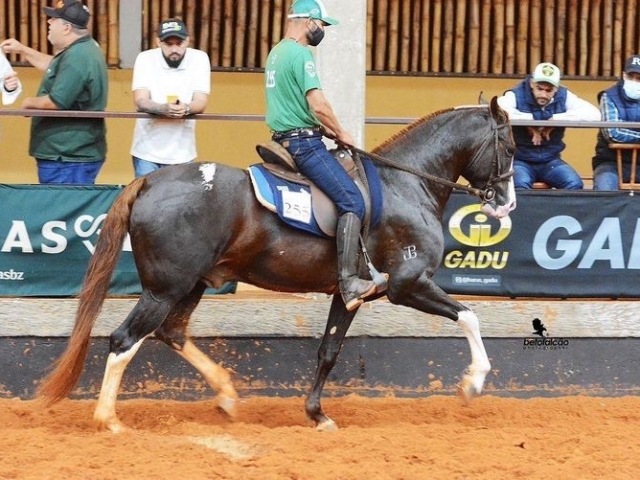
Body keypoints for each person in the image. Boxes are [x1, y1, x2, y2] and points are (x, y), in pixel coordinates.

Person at [265, 0, 386, 312]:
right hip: (304, 145)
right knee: (353, 200)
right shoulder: (302, 53)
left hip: (289, 137)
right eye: (323, 25)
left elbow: (295, 107)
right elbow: (317, 103)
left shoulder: (277, 52)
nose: (324, 31)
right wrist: (342, 132)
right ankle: (349, 281)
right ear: (308, 21)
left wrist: (324, 129)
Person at [0, 0, 107, 185]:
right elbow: (56, 67)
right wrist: (22, 50)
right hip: (69, 153)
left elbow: (56, 101)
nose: (49, 22)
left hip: (67, 155)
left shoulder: (78, 56)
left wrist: (29, 104)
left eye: (54, 20)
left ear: (66, 28)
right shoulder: (83, 49)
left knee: (64, 209)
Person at [497, 62, 600, 189]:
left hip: (551, 160)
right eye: (539, 88)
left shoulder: (564, 95)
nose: (544, 94)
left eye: (549, 90)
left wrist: (554, 120)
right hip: (520, 160)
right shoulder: (516, 94)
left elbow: (594, 114)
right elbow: (497, 110)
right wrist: (531, 124)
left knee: (574, 184)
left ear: (557, 88)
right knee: (520, 185)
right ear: (531, 84)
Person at [130, 18, 211, 177]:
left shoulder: (199, 59)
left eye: (179, 43)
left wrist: (186, 108)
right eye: (168, 43)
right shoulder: (145, 59)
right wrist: (162, 109)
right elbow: (140, 99)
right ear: (158, 42)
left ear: (188, 41)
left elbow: (201, 101)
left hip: (183, 152)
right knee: (146, 201)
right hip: (146, 151)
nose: (174, 48)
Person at [592, 55, 640, 190]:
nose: (635, 81)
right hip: (610, 162)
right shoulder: (609, 96)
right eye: (631, 76)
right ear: (624, 75)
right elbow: (613, 133)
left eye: (639, 78)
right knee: (604, 189)